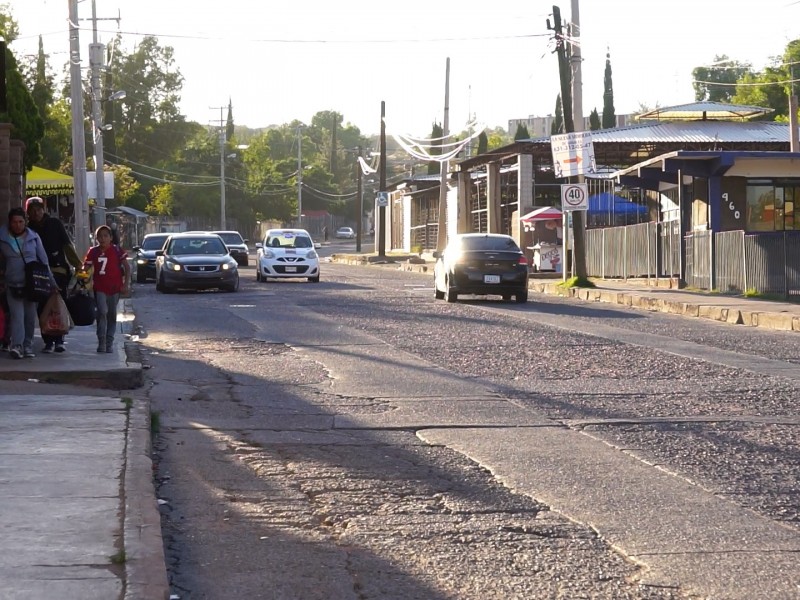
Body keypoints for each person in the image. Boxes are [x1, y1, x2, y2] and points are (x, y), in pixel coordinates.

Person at [25, 196, 83, 353]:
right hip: (38, 274)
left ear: (44, 210)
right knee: (42, 307)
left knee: (58, 305)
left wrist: (78, 265)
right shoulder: (28, 229)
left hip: (58, 272)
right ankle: (48, 341)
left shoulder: (55, 224)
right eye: (32, 210)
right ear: (28, 213)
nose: (36, 213)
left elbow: (67, 246)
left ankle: (59, 340)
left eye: (39, 209)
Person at [0, 207, 58, 359]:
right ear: (10, 223)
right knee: (17, 316)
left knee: (30, 317)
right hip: (12, 283)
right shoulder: (2, 238)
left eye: (21, 221)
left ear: (25, 222)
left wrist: (52, 282)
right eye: (15, 222)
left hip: (32, 285)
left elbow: (44, 261)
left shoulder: (34, 237)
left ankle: (28, 345)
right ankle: (17, 346)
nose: (18, 225)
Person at [83, 225, 130, 353]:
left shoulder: (117, 250)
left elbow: (127, 267)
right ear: (96, 238)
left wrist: (126, 284)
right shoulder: (93, 252)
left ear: (110, 238)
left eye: (105, 236)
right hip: (100, 288)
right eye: (100, 236)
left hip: (114, 288)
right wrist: (81, 277)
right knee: (102, 312)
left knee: (111, 314)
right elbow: (85, 268)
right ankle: (101, 341)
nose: (102, 239)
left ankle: (109, 341)